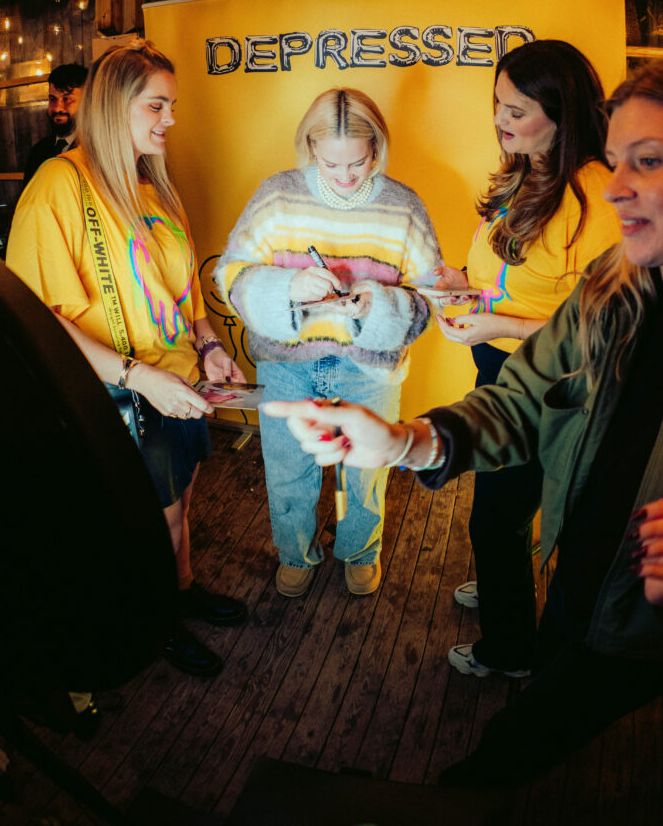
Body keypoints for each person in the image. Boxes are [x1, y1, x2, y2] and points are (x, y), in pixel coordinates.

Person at [261, 59, 663, 786]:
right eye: (615, 161)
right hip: (589, 563)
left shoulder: (594, 230)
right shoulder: (618, 281)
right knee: (543, 689)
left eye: (650, 161)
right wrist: (408, 439)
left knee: (520, 743)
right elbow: (522, 399)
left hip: (637, 612)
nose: (614, 187)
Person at [7, 40, 248, 679]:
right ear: (116, 106)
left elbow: (184, 293)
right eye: (157, 105)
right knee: (152, 520)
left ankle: (181, 589)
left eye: (173, 105)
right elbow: (42, 320)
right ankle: (156, 619)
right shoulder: (58, 185)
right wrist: (140, 377)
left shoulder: (154, 187)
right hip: (122, 392)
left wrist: (211, 347)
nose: (171, 118)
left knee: (181, 504)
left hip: (182, 383)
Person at [431, 39, 621, 678]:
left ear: (563, 114)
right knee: (508, 508)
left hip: (549, 382)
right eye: (497, 105)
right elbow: (521, 276)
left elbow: (608, 327)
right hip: (503, 366)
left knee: (495, 519)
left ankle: (510, 651)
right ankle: (503, 580)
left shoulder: (596, 199)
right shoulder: (531, 169)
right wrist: (463, 284)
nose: (498, 121)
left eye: (516, 111)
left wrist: (501, 325)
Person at [216, 88, 442, 598]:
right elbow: (230, 273)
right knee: (287, 470)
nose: (344, 177)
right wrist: (286, 287)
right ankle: (295, 553)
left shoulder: (403, 206)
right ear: (311, 147)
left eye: (357, 163)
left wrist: (377, 305)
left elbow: (430, 298)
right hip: (287, 364)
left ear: (376, 148)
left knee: (365, 471)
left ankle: (361, 551)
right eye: (330, 163)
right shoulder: (277, 195)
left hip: (368, 368)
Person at [23, 63, 88, 187]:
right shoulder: (37, 152)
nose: (58, 108)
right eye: (53, 99)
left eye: (66, 99)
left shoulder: (92, 154)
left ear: (85, 103)